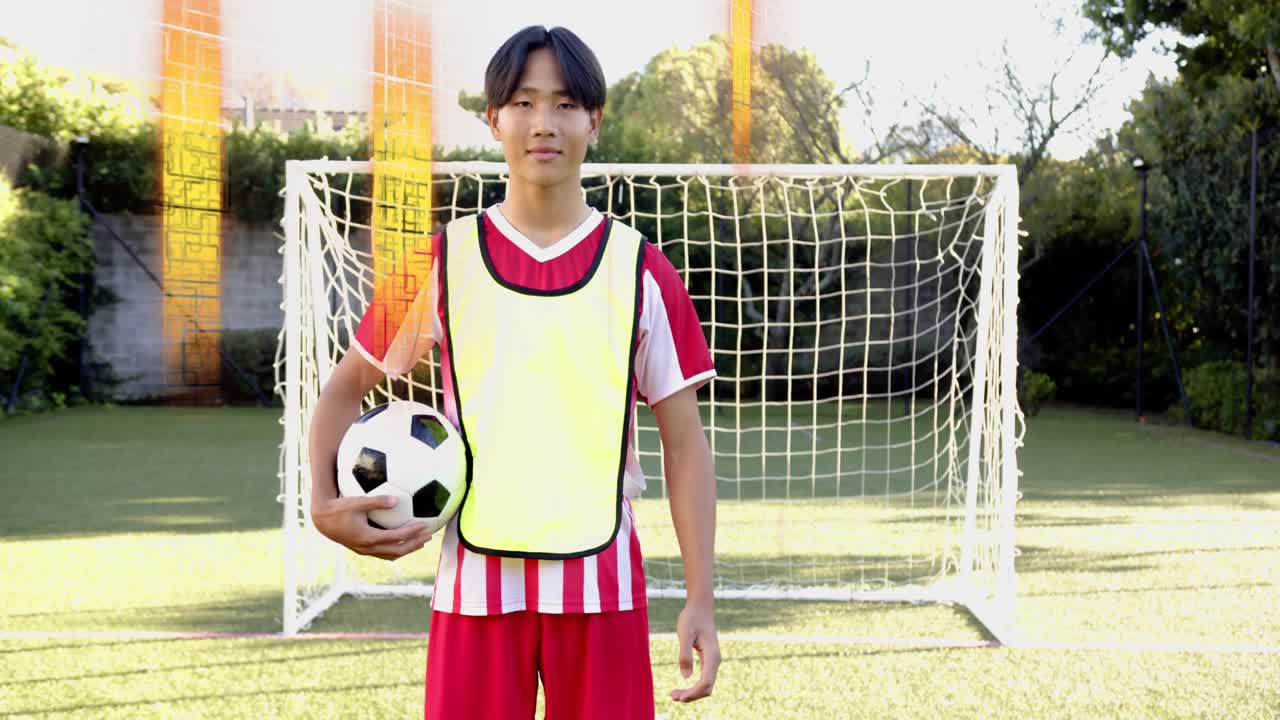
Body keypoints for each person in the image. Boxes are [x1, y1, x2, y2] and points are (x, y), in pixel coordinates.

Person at [306, 24, 721, 720]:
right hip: (474, 588)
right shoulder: (437, 262)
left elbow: (685, 445)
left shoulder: (642, 269)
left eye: (565, 104)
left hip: (603, 587)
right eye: (524, 103)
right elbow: (344, 390)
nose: (543, 123)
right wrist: (323, 505)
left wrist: (700, 598)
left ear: (594, 119)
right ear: (493, 118)